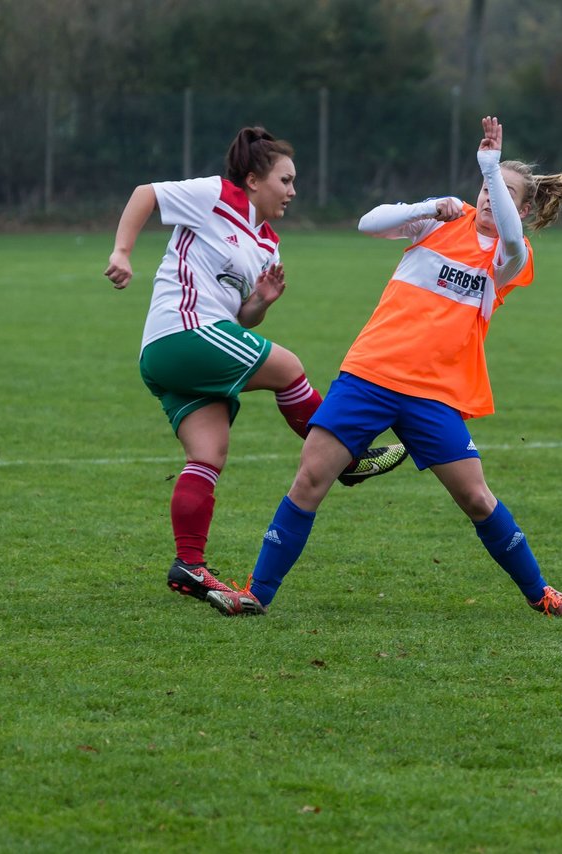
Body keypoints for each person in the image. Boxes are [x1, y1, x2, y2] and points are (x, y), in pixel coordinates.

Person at [204, 116, 562, 619]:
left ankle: (542, 594)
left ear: (521, 208)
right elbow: (369, 223)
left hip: (435, 393)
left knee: (476, 498)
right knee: (311, 478)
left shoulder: (509, 258)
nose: (490, 197)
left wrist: (493, 166)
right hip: (371, 373)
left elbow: (515, 241)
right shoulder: (442, 222)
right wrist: (430, 204)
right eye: (485, 188)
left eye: (503, 193)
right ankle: (256, 594)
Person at [103, 126, 408, 614]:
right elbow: (146, 195)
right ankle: (347, 458)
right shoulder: (213, 195)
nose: (292, 191)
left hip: (187, 353)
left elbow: (243, 320)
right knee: (289, 367)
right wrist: (122, 252)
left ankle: (188, 563)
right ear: (252, 179)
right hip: (181, 335)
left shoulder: (268, 243)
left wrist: (260, 302)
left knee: (209, 454)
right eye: (285, 180)